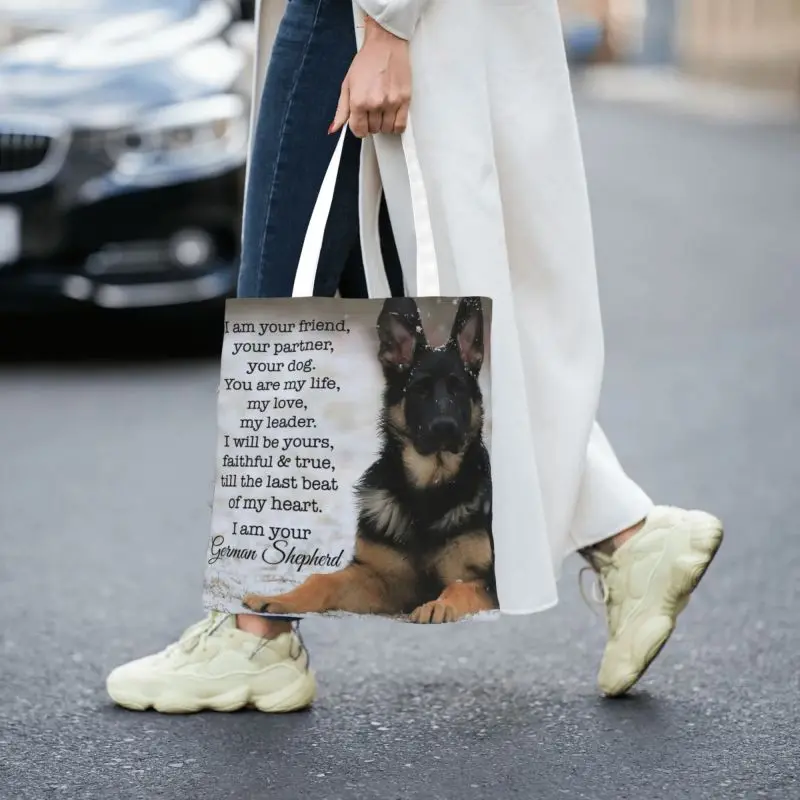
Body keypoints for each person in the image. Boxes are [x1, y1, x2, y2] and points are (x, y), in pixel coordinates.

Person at [106, 0, 723, 713]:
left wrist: (388, 24)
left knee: (289, 292)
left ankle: (254, 629)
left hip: (358, 16)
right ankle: (627, 535)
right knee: (386, 282)